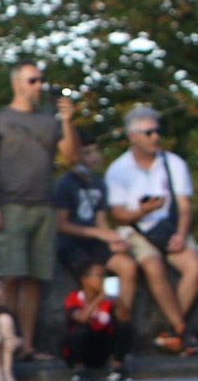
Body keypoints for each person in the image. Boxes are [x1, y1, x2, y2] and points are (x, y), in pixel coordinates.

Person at [0, 60, 78, 361]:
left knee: (35, 279)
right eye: (32, 80)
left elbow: (71, 157)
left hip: (43, 206)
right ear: (17, 83)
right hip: (10, 205)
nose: (38, 86)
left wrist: (68, 120)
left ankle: (27, 345)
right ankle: (5, 342)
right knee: (10, 277)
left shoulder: (50, 121)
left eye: (40, 80)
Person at [104, 105, 198, 355]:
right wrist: (142, 212)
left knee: (196, 266)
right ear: (132, 136)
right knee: (152, 264)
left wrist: (181, 234)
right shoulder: (118, 170)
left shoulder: (174, 163)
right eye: (148, 133)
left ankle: (172, 331)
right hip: (137, 229)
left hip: (168, 228)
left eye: (156, 131)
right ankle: (180, 329)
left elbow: (184, 205)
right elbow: (117, 214)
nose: (155, 137)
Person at [54, 129, 140, 323]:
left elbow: (101, 221)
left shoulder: (99, 183)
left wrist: (113, 239)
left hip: (94, 243)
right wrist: (96, 232)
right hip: (71, 244)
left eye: (95, 151)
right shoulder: (65, 183)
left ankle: (120, 322)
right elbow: (60, 224)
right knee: (93, 274)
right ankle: (93, 324)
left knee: (127, 266)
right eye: (87, 152)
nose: (93, 157)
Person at [62, 260, 132, 381]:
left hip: (101, 348)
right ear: (85, 279)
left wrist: (117, 300)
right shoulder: (74, 297)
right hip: (81, 349)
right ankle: (79, 369)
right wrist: (100, 297)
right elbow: (82, 318)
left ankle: (117, 367)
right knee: (80, 330)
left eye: (105, 276)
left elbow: (125, 319)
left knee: (124, 327)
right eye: (99, 275)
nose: (102, 279)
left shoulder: (109, 300)